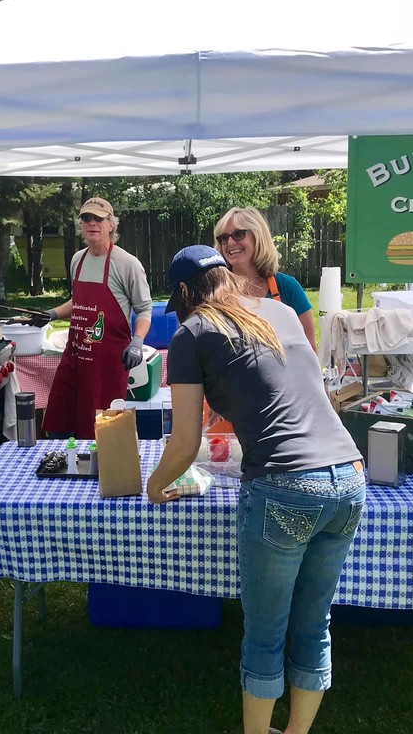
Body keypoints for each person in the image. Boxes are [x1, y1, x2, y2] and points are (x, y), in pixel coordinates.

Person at [146, 245, 364, 734]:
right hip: (349, 476)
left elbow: (185, 443)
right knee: (313, 625)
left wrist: (155, 486)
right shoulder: (280, 311)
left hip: (285, 484)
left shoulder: (192, 332)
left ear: (184, 292)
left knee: (266, 635)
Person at [36, 197, 153, 439]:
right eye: (87, 218)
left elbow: (144, 309)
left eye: (98, 219)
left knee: (104, 431)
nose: (92, 223)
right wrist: (51, 314)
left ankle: (104, 463)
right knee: (61, 419)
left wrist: (137, 342)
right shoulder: (77, 260)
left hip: (108, 364)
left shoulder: (128, 264)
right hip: (76, 357)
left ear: (111, 224)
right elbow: (79, 302)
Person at [214, 206, 317, 351]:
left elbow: (309, 351)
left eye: (238, 234)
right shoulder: (215, 290)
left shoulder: (287, 287)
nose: (230, 242)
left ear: (258, 236)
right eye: (224, 238)